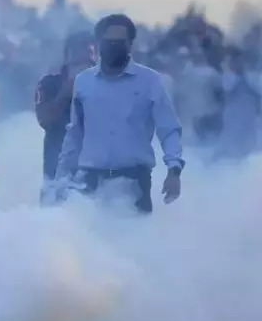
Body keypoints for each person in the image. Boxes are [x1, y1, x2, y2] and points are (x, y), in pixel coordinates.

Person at [56, 14, 183, 214]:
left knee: (133, 241)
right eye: (108, 42)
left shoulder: (150, 81)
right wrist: (61, 178)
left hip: (134, 182)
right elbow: (75, 133)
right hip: (90, 181)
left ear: (130, 45)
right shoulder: (84, 81)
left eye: (119, 42)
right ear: (97, 44)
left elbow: (169, 129)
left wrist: (174, 170)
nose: (113, 46)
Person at [35, 31, 96, 205]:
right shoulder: (49, 84)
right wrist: (65, 93)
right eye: (76, 58)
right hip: (55, 171)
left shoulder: (103, 86)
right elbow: (45, 120)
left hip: (92, 172)